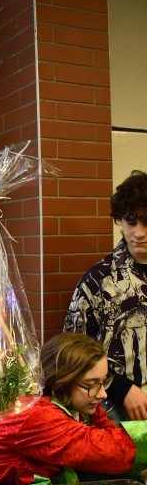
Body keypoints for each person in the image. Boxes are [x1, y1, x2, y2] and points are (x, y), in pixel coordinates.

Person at [0, 332, 147, 485]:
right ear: (62, 382)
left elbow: (106, 432)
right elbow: (107, 450)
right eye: (92, 384)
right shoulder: (35, 414)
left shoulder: (78, 401)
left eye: (104, 382)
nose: (102, 393)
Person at [64, 170, 147, 423]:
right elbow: (72, 351)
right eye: (130, 222)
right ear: (120, 221)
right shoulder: (99, 281)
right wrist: (120, 388)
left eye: (146, 223)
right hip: (116, 409)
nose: (138, 233)